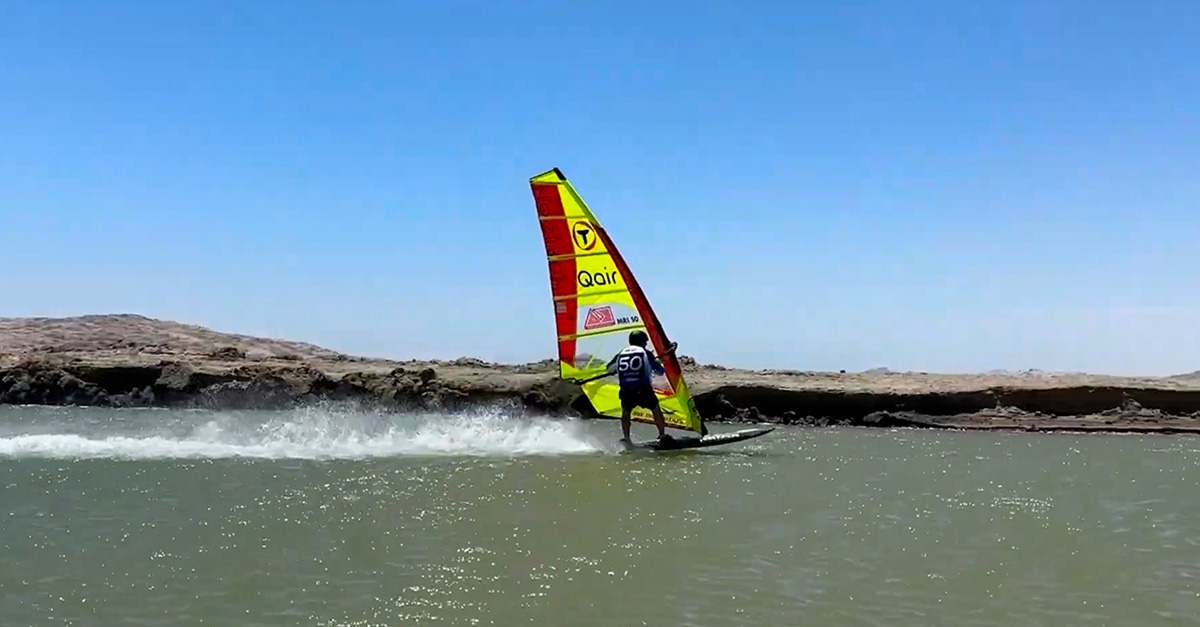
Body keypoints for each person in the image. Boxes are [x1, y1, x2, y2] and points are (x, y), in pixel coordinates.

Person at [575, 330, 677, 443]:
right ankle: (662, 435)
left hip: (627, 391)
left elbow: (610, 368)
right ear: (642, 342)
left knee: (626, 412)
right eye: (645, 342)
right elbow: (660, 371)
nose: (646, 344)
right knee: (655, 409)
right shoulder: (646, 353)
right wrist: (658, 362)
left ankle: (626, 438)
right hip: (643, 389)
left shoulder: (621, 353)